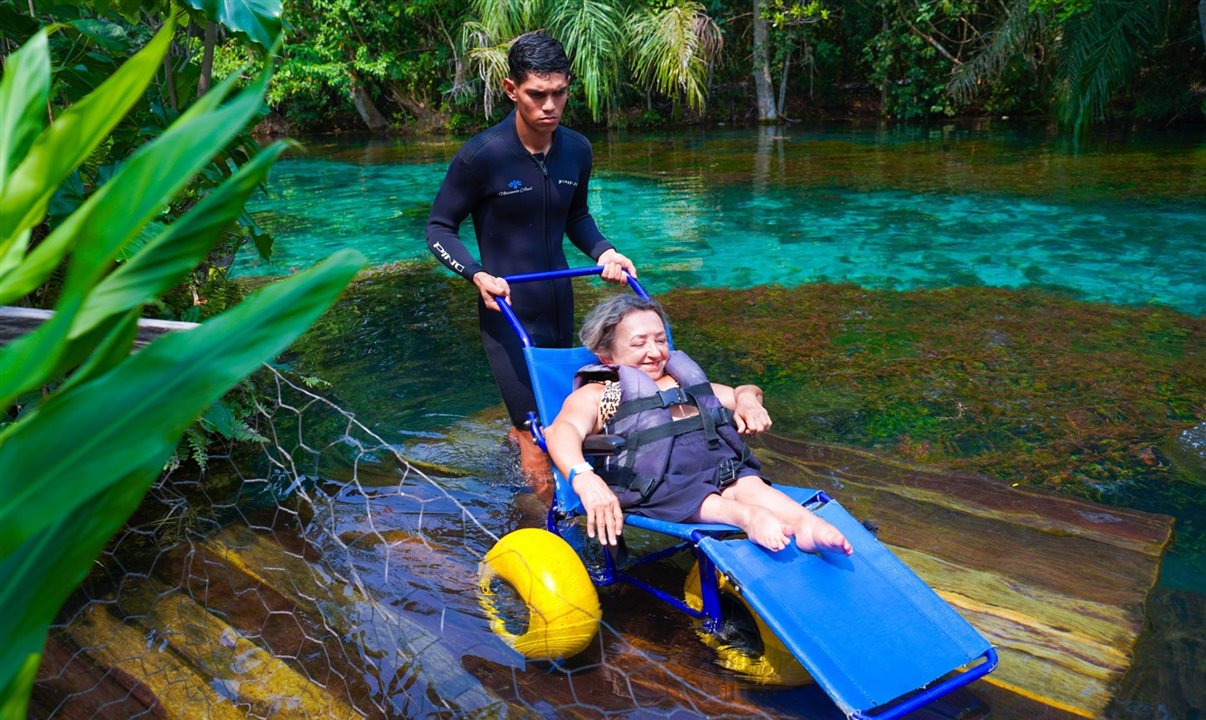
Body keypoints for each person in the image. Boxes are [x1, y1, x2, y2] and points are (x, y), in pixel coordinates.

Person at [425, 31, 636, 482]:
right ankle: (544, 527)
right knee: (536, 441)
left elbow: (575, 215)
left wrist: (605, 250)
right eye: (537, 95)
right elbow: (439, 228)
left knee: (575, 422)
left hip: (561, 308)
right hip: (508, 313)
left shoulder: (576, 150)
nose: (550, 107)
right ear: (511, 89)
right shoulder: (483, 156)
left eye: (559, 93)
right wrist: (476, 274)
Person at [545, 294, 853, 555]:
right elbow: (562, 431)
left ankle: (806, 524)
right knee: (705, 497)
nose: (655, 352)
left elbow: (741, 391)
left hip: (720, 470)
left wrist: (748, 401)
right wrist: (583, 477)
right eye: (639, 344)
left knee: (748, 483)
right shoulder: (602, 393)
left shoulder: (681, 379)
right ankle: (747, 517)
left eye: (660, 339)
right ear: (607, 356)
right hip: (661, 487)